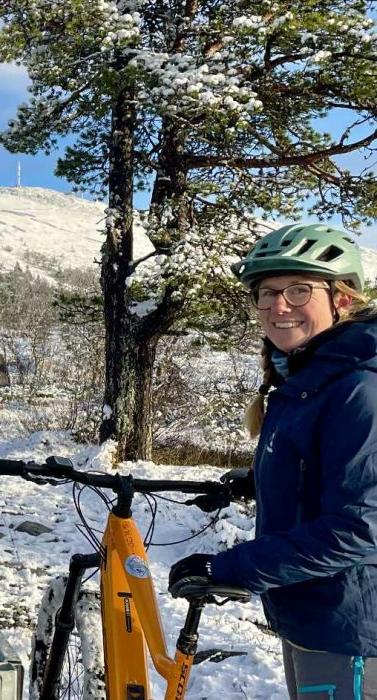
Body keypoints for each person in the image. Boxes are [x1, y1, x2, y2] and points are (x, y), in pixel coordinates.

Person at [167, 223, 377, 698]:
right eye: (266, 293)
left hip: (353, 628)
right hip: (313, 613)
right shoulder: (309, 376)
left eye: (298, 290)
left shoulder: (359, 389)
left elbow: (359, 529)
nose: (277, 307)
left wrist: (232, 568)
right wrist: (261, 480)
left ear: (342, 298)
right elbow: (328, 470)